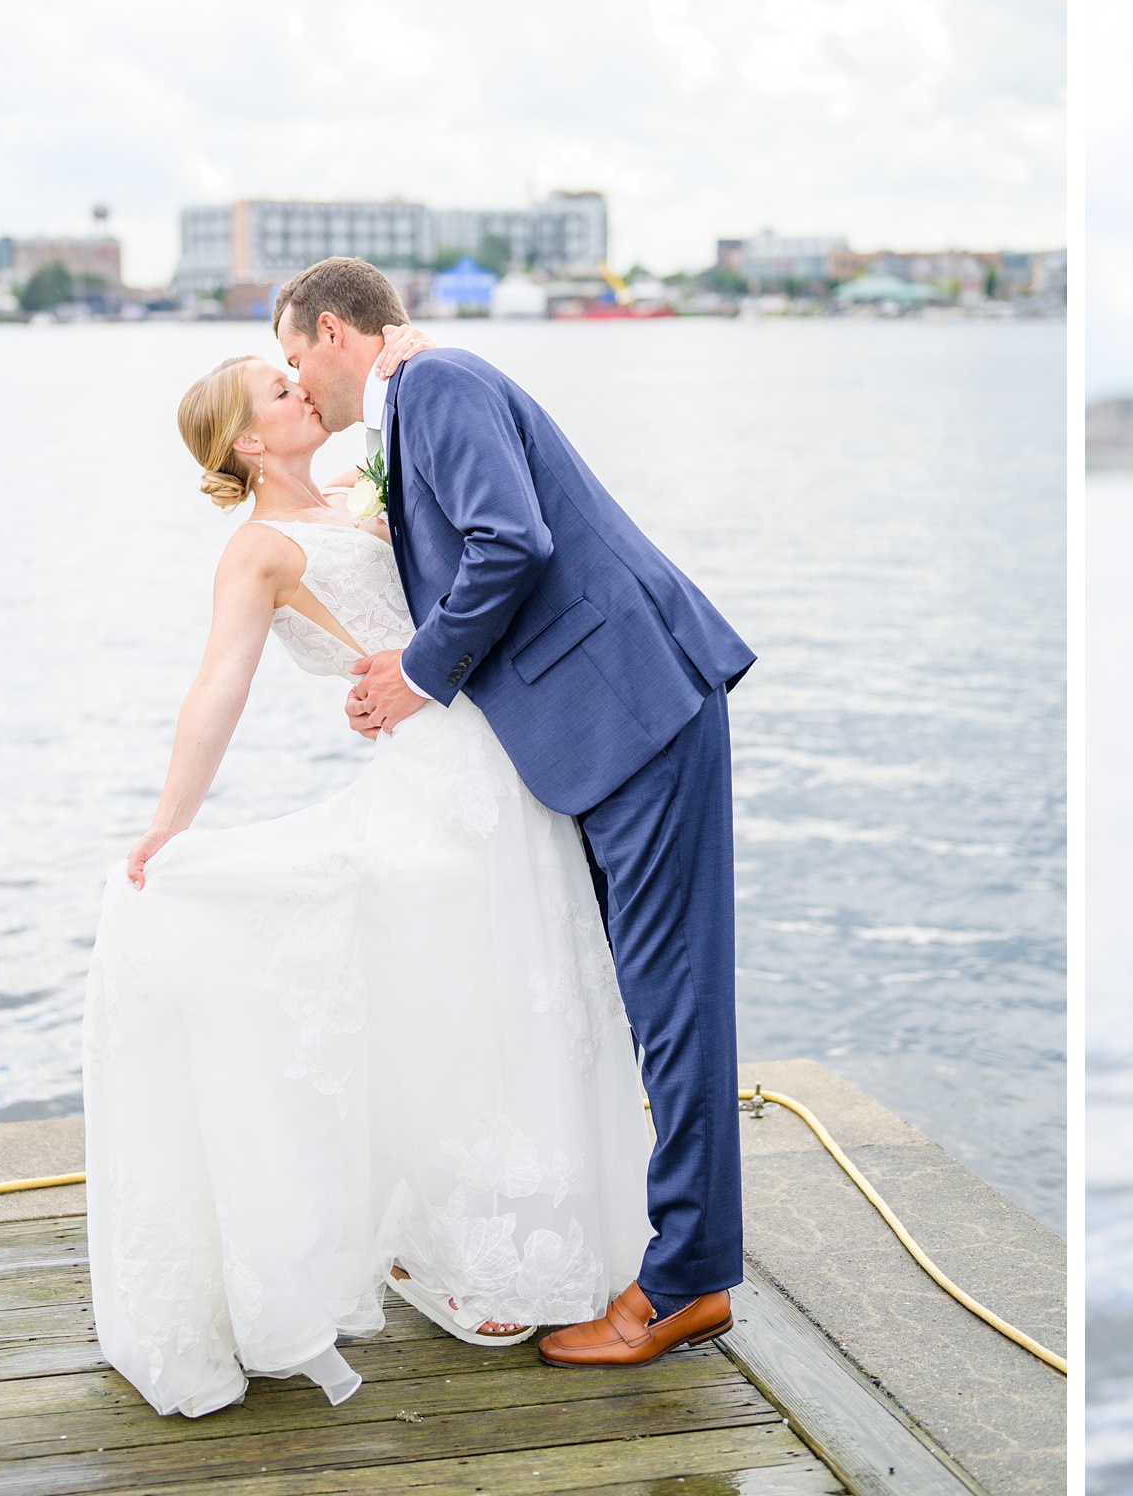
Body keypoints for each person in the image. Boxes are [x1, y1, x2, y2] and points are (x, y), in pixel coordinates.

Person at [88, 329, 655, 1417]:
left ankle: (534, 1237)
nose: (301, 385)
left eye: (297, 367)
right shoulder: (258, 549)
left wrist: (409, 358)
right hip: (429, 784)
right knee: (457, 1003)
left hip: (503, 755)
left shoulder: (361, 484)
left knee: (536, 994)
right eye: (279, 386)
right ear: (251, 441)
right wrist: (170, 822)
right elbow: (219, 687)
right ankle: (471, 1253)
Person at [274, 257, 755, 1368]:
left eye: (296, 357)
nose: (298, 381)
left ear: (336, 331)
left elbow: (514, 540)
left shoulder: (438, 389)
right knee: (643, 996)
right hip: (602, 727)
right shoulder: (419, 403)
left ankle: (683, 1284)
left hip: (635, 709)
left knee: (674, 1005)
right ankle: (673, 1254)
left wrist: (422, 672)